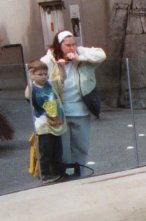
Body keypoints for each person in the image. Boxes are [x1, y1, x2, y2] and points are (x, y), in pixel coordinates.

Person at [39, 30, 105, 176]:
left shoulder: (79, 54)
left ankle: (79, 172)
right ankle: (67, 174)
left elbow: (101, 55)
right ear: (59, 45)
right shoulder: (48, 60)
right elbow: (40, 82)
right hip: (60, 111)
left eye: (73, 44)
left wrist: (78, 57)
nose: (71, 48)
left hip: (80, 108)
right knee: (64, 148)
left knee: (81, 145)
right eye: (67, 45)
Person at [28, 59, 66, 182]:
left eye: (45, 74)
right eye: (40, 74)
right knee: (45, 151)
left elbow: (61, 79)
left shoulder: (50, 85)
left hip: (56, 122)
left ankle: (57, 171)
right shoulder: (33, 88)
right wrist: (30, 78)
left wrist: (61, 68)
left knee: (57, 150)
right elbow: (27, 96)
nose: (43, 77)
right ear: (33, 74)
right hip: (43, 125)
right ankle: (45, 173)